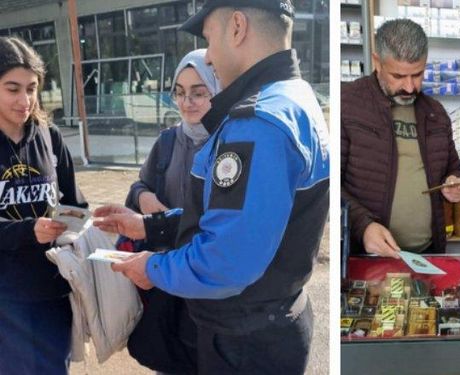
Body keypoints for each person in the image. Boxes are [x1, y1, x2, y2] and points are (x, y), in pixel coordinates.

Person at [93, 1, 329, 374]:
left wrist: (153, 267)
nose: (210, 55)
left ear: (237, 27)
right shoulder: (294, 97)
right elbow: (234, 217)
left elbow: (226, 259)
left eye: (209, 38)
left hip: (244, 342)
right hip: (270, 323)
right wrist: (148, 226)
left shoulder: (257, 123)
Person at [122, 49, 220, 375]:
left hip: (210, 280)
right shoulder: (166, 142)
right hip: (167, 276)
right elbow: (136, 189)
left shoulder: (231, 143)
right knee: (169, 355)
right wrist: (145, 195)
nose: (187, 102)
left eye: (198, 93)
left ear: (218, 91)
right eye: (179, 93)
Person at [341, 18, 460, 259]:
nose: (409, 87)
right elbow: (331, 186)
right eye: (398, 76)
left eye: (417, 75)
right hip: (368, 258)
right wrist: (363, 226)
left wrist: (456, 183)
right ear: (377, 62)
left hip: (427, 255)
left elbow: (454, 169)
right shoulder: (347, 105)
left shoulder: (435, 113)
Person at [0, 36, 87, 375]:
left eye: (32, 88)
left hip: (52, 290)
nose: (25, 100)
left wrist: (75, 224)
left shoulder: (49, 136)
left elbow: (74, 200)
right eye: (12, 88)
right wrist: (27, 231)